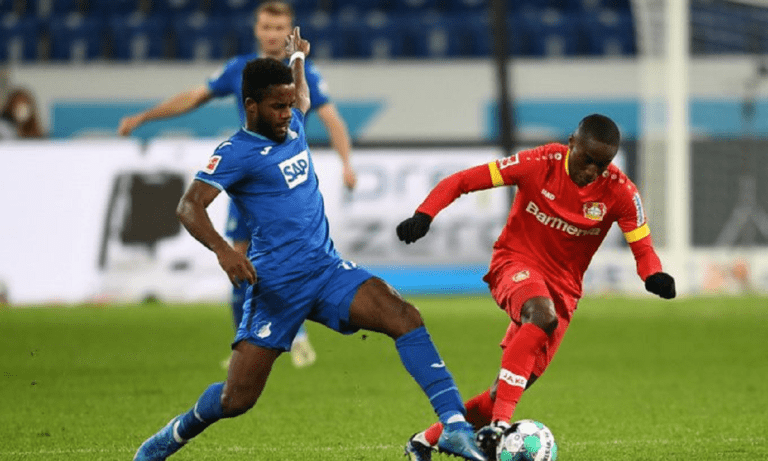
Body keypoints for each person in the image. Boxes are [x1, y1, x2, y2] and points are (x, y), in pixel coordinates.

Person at [132, 29, 486, 461]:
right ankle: (173, 434)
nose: (288, 114)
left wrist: (297, 60)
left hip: (326, 271)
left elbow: (302, 98)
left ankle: (454, 426)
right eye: (277, 107)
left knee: (404, 316)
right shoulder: (236, 152)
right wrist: (224, 251)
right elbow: (189, 206)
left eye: (288, 106)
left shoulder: (294, 121)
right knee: (236, 399)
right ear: (251, 106)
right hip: (277, 287)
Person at [396, 114, 676, 461]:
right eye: (587, 160)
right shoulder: (538, 163)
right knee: (541, 316)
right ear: (571, 143)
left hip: (564, 293)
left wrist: (653, 275)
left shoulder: (621, 192)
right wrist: (424, 214)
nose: (593, 171)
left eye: (602, 165)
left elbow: (643, 248)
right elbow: (463, 180)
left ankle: (423, 441)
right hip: (514, 264)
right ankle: (500, 428)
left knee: (501, 392)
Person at [118, 1, 357, 367]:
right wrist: (145, 116)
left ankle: (294, 332)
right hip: (248, 179)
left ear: (289, 31)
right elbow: (194, 97)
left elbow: (331, 118)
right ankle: (244, 347)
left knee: (291, 257)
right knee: (240, 257)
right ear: (256, 29)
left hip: (286, 184)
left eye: (279, 28)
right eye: (266, 27)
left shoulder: (303, 72)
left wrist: (347, 163)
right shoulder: (239, 69)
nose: (272, 34)